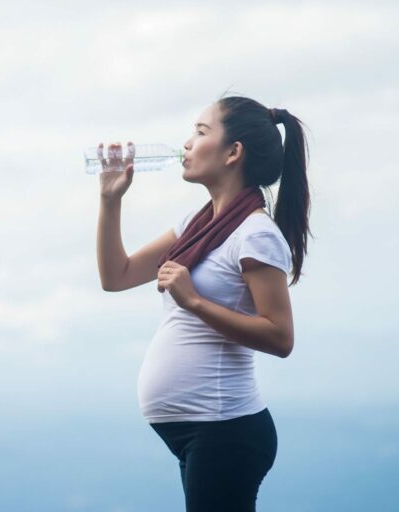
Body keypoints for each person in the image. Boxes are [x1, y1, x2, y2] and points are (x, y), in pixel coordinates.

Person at [96, 95, 311, 512]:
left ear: (234, 153)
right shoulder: (195, 224)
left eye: (200, 132)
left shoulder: (255, 234)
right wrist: (110, 200)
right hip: (202, 432)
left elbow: (280, 336)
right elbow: (116, 276)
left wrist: (194, 301)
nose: (187, 144)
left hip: (225, 431)